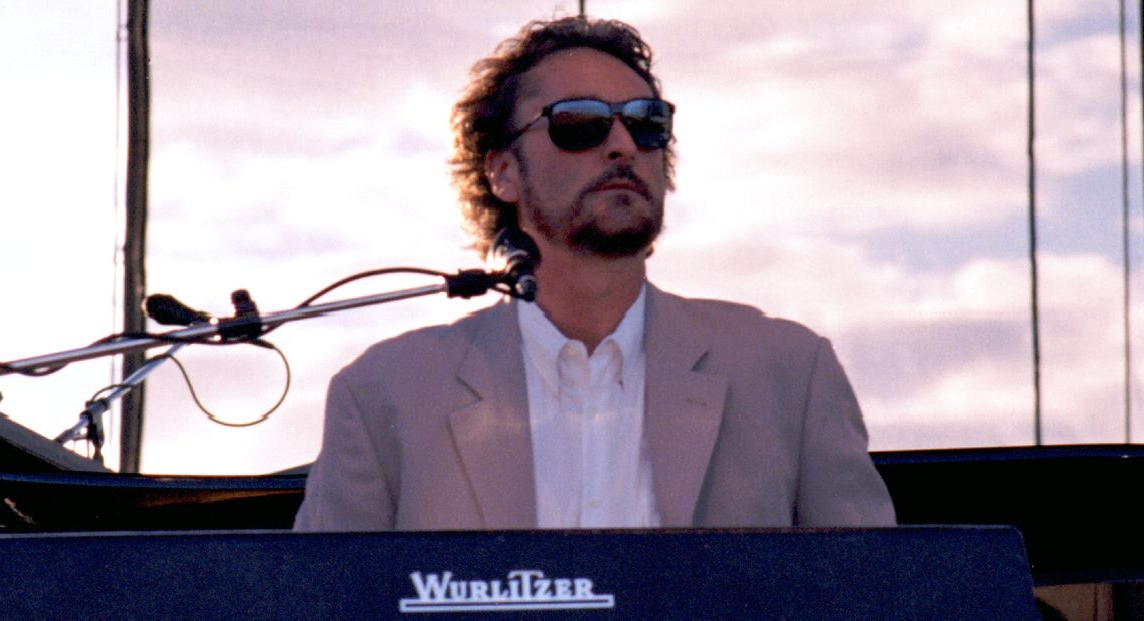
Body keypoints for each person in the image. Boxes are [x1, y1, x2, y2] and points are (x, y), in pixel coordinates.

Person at [293, 15, 895, 531]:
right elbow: (322, 618)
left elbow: (875, 602)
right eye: (579, 122)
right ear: (502, 172)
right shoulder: (383, 394)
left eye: (646, 122)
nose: (622, 145)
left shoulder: (790, 372)